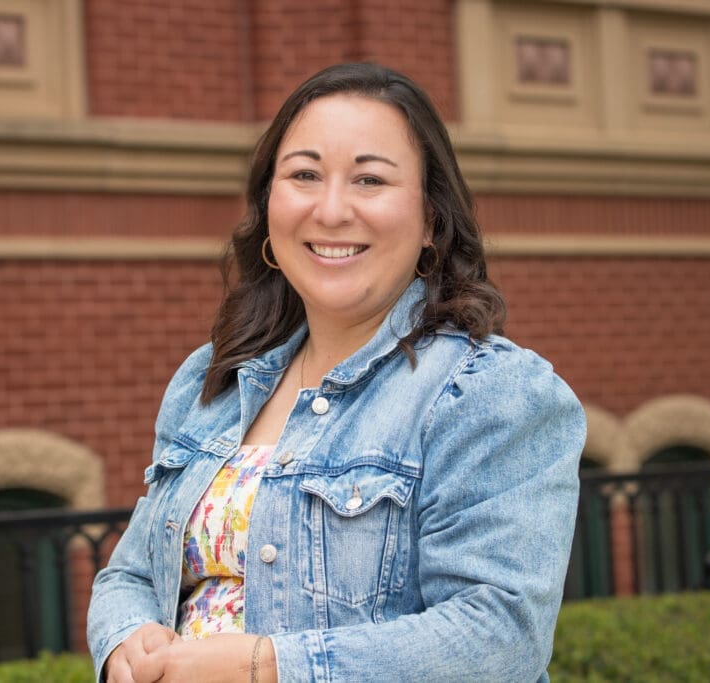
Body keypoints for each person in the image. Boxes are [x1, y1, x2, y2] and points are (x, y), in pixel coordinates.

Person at [87, 62, 585, 683]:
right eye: (304, 175)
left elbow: (500, 637)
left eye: (370, 179)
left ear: (431, 220)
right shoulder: (212, 378)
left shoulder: (490, 393)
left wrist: (266, 668)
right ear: (269, 206)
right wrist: (125, 641)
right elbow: (131, 571)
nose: (330, 210)